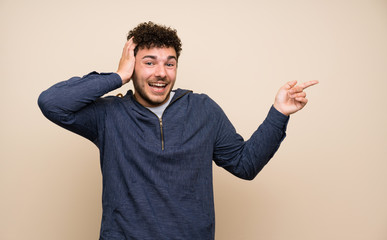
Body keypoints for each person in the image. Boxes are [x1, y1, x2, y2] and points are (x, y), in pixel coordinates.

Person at [38, 21, 318, 240]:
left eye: (169, 63)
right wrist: (117, 77)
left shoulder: (203, 109)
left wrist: (279, 113)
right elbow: (52, 103)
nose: (161, 72)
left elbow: (245, 164)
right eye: (149, 62)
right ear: (132, 65)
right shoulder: (109, 115)